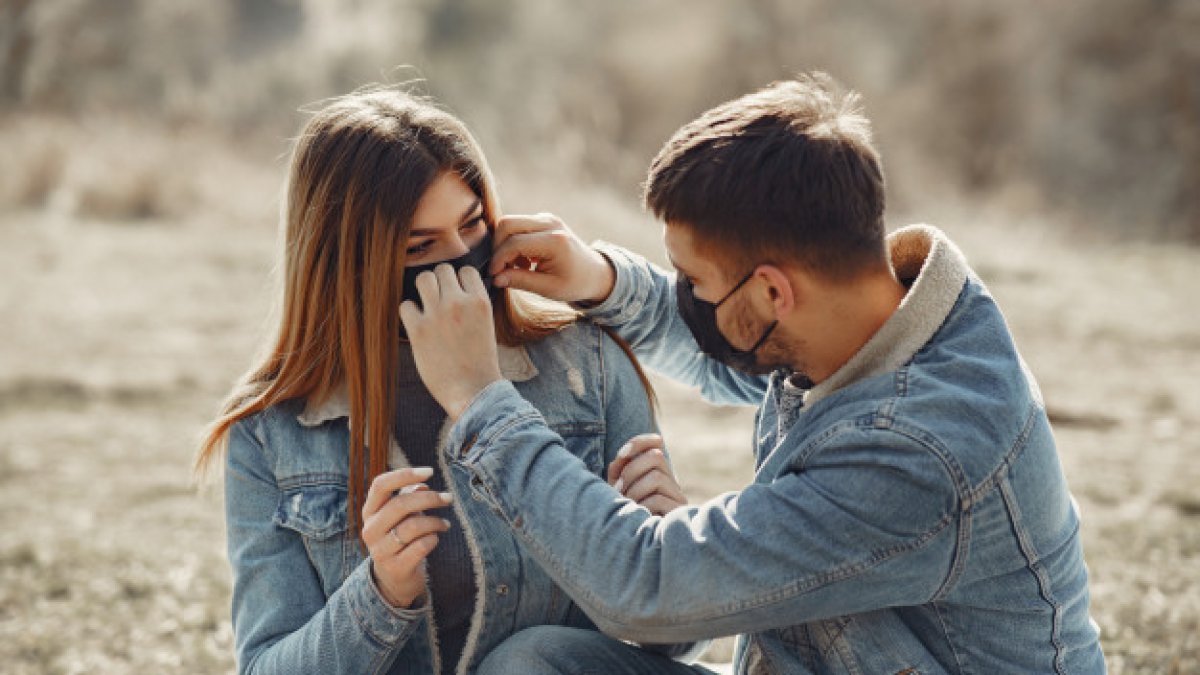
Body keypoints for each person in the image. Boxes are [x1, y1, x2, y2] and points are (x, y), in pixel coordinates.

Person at [398, 72, 1108, 673]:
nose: (688, 299)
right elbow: (742, 360)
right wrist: (601, 280)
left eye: (694, 281)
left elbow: (644, 585)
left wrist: (480, 396)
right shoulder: (879, 312)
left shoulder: (919, 447)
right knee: (539, 664)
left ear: (773, 292)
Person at [195, 88, 706, 674]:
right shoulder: (271, 431)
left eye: (472, 226)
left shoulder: (584, 363)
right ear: (346, 262)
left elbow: (675, 644)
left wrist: (670, 550)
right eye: (420, 246)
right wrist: (382, 593)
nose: (462, 260)